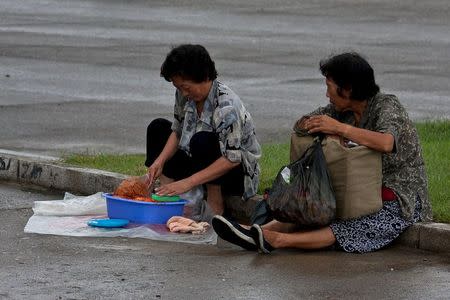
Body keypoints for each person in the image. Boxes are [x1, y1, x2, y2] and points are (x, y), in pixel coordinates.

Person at [212, 52, 432, 253]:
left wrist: (340, 129)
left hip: (399, 195)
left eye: (330, 87)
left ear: (348, 89)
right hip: (354, 188)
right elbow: (302, 125)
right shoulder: (339, 111)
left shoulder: (386, 106)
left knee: (352, 226)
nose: (327, 94)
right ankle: (255, 232)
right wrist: (313, 125)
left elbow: (386, 143)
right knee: (310, 202)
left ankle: (276, 240)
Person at [145, 44, 261, 215]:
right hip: (198, 162)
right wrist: (159, 162)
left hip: (233, 175)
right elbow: (177, 131)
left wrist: (188, 182)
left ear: (204, 77)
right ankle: (166, 193)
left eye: (186, 87)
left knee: (202, 140)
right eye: (179, 88)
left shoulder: (227, 106)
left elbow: (232, 158)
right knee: (158, 127)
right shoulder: (184, 95)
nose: (183, 93)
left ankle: (215, 206)